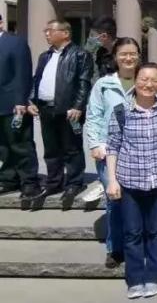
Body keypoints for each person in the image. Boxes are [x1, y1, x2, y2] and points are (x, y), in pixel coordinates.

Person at [105, 62, 157, 299]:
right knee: (132, 232)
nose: (148, 84)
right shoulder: (121, 111)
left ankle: (153, 276)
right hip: (130, 181)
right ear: (136, 80)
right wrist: (112, 181)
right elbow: (112, 146)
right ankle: (134, 279)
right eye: (144, 79)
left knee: (156, 231)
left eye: (154, 80)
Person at [83, 37, 141, 267]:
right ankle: (115, 247)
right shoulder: (104, 84)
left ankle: (136, 244)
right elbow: (94, 115)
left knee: (138, 200)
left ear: (139, 55)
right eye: (123, 54)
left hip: (138, 150)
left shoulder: (146, 80)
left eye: (133, 53)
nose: (128, 58)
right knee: (115, 199)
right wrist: (95, 144)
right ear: (115, 57)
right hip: (108, 150)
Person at [28, 20, 94, 207]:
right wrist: (31, 100)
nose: (46, 34)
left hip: (69, 110)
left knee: (72, 147)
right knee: (51, 148)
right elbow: (37, 80)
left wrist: (78, 106)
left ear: (65, 33)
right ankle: (54, 182)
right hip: (46, 109)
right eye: (45, 31)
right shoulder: (45, 56)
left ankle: (74, 183)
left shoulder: (80, 54)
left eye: (50, 30)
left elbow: (84, 82)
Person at [0, 14, 41, 201]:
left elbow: (22, 72)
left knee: (20, 144)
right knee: (3, 146)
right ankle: (9, 178)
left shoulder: (15, 43)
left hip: (13, 104)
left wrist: (21, 100)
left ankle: (29, 182)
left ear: (1, 23)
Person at [86, 16, 118, 81]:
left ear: (104, 36)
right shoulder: (100, 52)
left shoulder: (125, 49)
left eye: (92, 35)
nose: (90, 38)